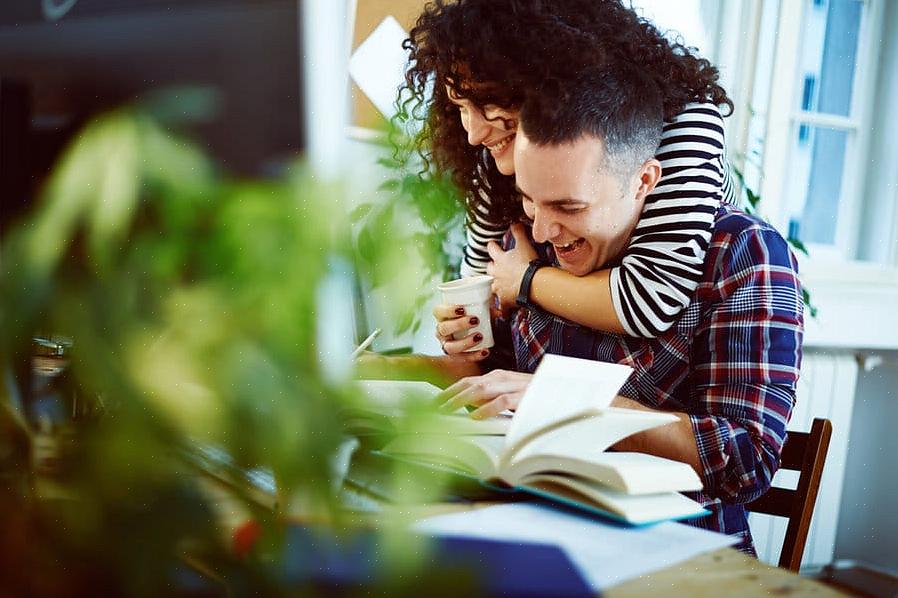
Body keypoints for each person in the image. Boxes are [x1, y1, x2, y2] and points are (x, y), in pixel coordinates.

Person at [424, 62, 805, 554]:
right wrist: (386, 367)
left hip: (675, 558)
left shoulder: (742, 254)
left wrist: (570, 402)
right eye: (531, 201)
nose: (542, 231)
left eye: (569, 207)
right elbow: (498, 377)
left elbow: (745, 462)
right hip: (534, 533)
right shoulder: (541, 242)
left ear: (644, 180)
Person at [401, 0, 738, 350]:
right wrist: (466, 327)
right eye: (460, 107)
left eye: (487, 103)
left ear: (544, 72)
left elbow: (651, 298)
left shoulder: (684, 125)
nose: (473, 134)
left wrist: (527, 280)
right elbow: (481, 284)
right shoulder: (501, 156)